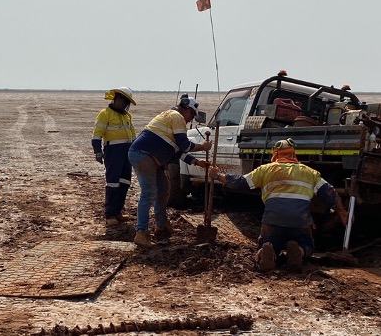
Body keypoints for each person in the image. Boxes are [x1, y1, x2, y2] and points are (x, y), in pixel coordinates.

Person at [208, 138, 348, 272]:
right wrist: (342, 212)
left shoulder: (266, 169)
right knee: (308, 244)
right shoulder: (308, 172)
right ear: (293, 153)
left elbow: (239, 182)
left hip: (273, 220)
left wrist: (217, 175)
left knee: (269, 242)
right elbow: (328, 192)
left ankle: (268, 251)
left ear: (275, 154)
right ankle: (298, 251)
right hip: (300, 222)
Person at [128, 94, 212, 247]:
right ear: (187, 110)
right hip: (144, 155)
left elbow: (179, 151)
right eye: (191, 116)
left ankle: (162, 225)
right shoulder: (177, 117)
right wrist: (202, 147)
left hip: (148, 156)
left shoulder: (170, 118)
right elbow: (185, 146)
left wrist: (198, 162)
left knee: (164, 188)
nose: (190, 120)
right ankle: (141, 232)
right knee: (149, 193)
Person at [92, 87, 136, 225]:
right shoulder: (105, 114)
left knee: (125, 182)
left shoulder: (127, 116)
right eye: (122, 100)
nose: (124, 104)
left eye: (126, 102)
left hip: (127, 152)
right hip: (113, 152)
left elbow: (133, 136)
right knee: (113, 183)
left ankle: (118, 211)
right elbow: (97, 135)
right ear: (116, 98)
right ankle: (110, 214)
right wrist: (98, 152)